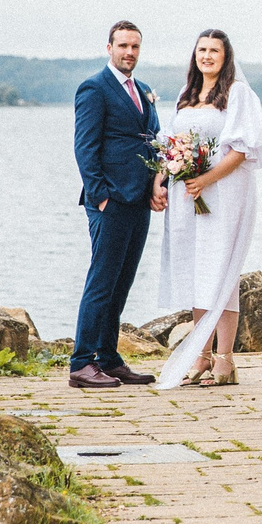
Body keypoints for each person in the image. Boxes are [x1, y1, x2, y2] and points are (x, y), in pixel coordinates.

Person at [154, 29, 262, 388]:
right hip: (187, 196)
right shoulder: (186, 95)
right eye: (201, 50)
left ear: (225, 56)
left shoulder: (237, 94)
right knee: (194, 268)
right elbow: (173, 145)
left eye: (214, 51)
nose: (207, 56)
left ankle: (225, 360)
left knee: (220, 270)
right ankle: (200, 356)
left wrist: (206, 179)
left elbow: (241, 150)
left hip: (224, 194)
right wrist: (161, 179)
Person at [68, 21, 164, 389]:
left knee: (122, 283)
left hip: (139, 200)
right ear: (108, 47)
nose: (129, 52)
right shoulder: (94, 87)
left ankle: (108, 358)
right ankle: (81, 363)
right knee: (102, 281)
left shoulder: (142, 90)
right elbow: (84, 147)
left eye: (135, 47)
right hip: (109, 201)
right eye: (123, 45)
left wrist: (160, 182)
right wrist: (101, 195)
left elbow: (152, 139)